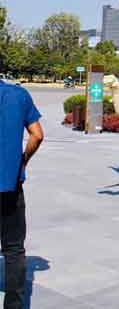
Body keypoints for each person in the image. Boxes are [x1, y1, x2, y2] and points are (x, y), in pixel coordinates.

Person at [0, 80, 44, 309]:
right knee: (14, 249)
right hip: (10, 184)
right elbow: (37, 135)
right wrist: (22, 161)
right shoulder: (18, 95)